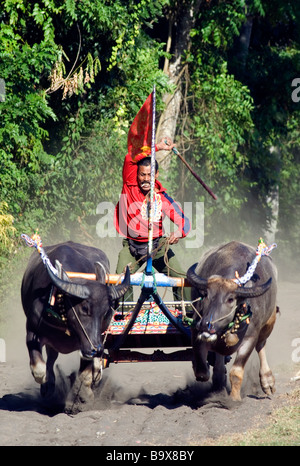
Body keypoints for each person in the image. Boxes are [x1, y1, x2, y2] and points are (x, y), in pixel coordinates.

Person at [114, 137, 191, 302]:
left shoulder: (163, 197)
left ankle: (186, 317)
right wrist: (158, 147)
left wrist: (178, 233)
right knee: (120, 279)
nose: (146, 179)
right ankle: (124, 317)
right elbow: (130, 156)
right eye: (142, 174)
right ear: (137, 174)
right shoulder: (130, 185)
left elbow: (185, 222)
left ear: (156, 174)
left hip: (158, 247)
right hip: (133, 248)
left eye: (150, 175)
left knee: (182, 279)